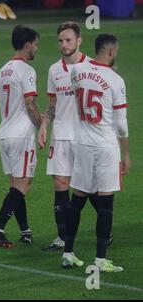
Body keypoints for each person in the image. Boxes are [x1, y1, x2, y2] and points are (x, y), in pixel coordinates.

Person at [62, 33, 130, 272]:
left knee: (78, 199)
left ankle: (68, 253)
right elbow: (121, 125)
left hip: (81, 144)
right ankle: (100, 260)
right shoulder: (116, 80)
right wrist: (127, 154)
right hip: (105, 146)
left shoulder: (77, 70)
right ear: (111, 52)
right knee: (105, 203)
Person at [39, 22, 95, 251]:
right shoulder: (54, 70)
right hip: (61, 135)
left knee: (91, 186)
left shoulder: (93, 67)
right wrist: (43, 125)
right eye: (60, 40)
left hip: (85, 136)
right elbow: (53, 104)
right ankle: (63, 237)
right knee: (60, 184)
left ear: (79, 40)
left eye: (68, 40)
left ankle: (105, 226)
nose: (64, 44)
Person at [0, 25, 41, 248]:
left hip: (5, 132)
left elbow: (0, 101)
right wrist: (42, 124)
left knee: (15, 185)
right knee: (24, 184)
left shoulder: (3, 70)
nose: (37, 48)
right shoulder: (27, 71)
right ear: (27, 45)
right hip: (22, 135)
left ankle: (25, 231)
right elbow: (30, 103)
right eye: (36, 44)